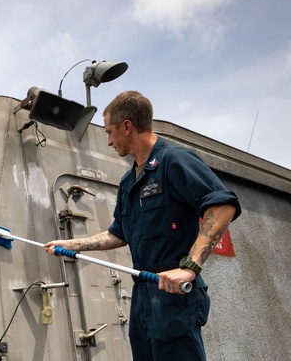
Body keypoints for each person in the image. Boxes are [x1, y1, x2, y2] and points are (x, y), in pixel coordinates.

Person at [44, 90, 241, 361]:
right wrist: (71, 244)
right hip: (143, 295)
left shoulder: (174, 160)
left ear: (128, 126)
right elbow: (118, 234)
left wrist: (191, 267)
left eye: (110, 132)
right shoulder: (128, 182)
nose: (109, 141)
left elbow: (222, 206)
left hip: (173, 295)